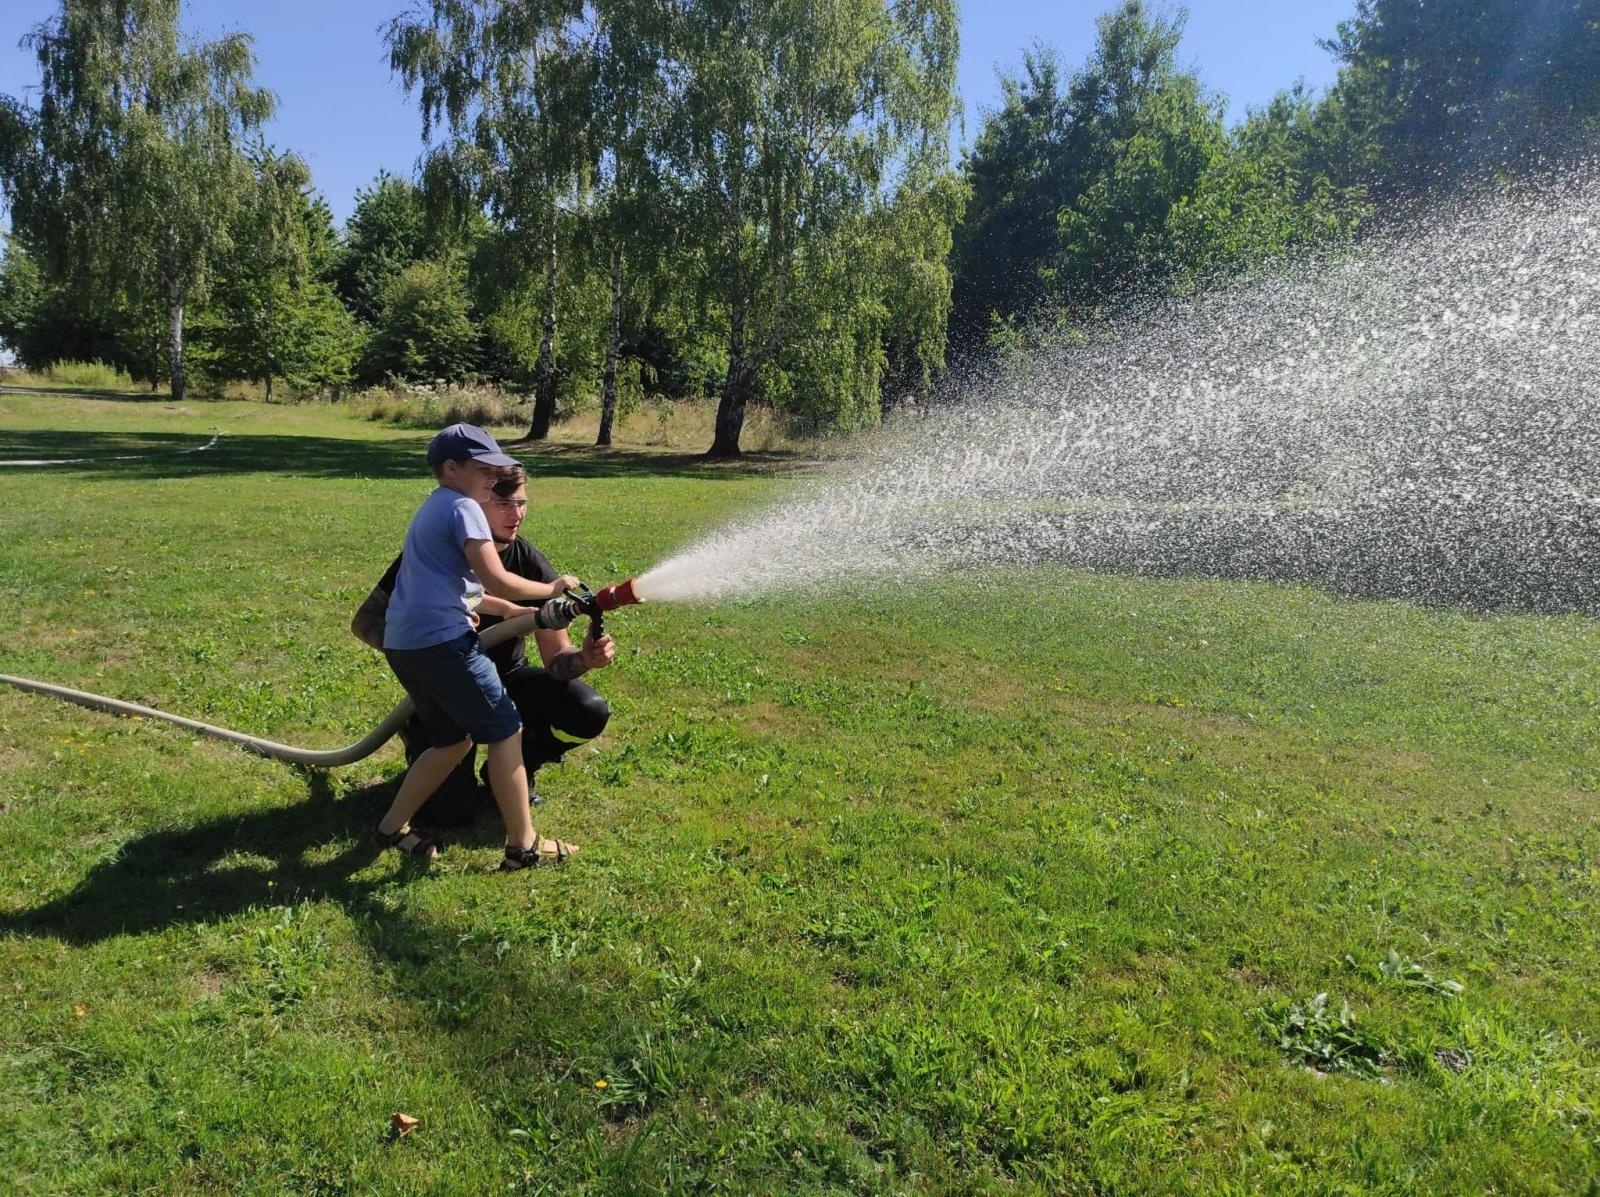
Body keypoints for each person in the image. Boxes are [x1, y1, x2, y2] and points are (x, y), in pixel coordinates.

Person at [368, 422, 587, 870]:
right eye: (485, 469)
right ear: (452, 468)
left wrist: (505, 610)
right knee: (506, 729)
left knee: (452, 742)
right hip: (445, 644)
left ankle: (391, 828)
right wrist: (552, 588)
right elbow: (495, 576)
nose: (493, 478)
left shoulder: (434, 507)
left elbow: (451, 586)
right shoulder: (465, 507)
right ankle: (523, 847)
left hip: (407, 646)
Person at [351, 467, 615, 827]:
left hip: (505, 680)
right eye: (504, 503)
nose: (517, 513)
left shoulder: (530, 566)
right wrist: (436, 645)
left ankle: (511, 767)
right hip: (445, 688)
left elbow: (556, 661)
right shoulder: (433, 555)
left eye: (521, 503)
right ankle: (423, 745)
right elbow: (365, 623)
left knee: (588, 710)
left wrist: (584, 658)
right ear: (475, 506)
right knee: (451, 813)